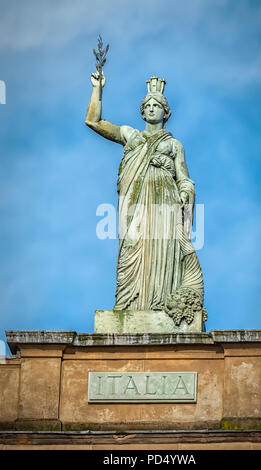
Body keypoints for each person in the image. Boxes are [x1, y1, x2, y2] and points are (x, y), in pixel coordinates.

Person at [86, 73, 206, 326]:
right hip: (135, 202)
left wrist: (185, 191)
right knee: (131, 247)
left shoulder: (174, 145)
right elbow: (93, 122)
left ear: (166, 112)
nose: (152, 109)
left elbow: (185, 178)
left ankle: (161, 304)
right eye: (147, 106)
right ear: (142, 112)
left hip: (165, 201)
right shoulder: (131, 135)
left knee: (164, 249)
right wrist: (97, 90)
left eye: (157, 106)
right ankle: (127, 304)